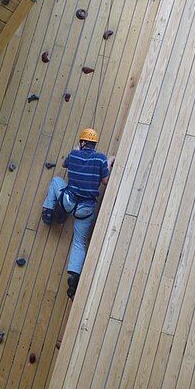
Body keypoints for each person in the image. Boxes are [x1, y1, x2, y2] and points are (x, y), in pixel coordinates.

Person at [42, 128, 115, 299]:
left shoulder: (74, 154)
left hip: (69, 201)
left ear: (82, 142)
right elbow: (105, 182)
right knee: (79, 243)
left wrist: (76, 150)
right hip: (85, 209)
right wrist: (109, 162)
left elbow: (64, 165)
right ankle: (73, 276)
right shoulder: (100, 158)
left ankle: (48, 211)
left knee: (56, 181)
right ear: (94, 144)